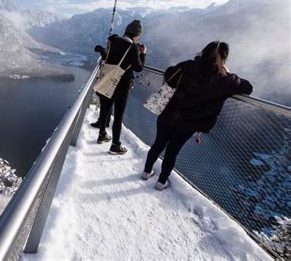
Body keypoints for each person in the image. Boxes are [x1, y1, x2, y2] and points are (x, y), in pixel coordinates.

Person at [142, 41, 253, 190]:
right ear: (224, 58)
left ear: (203, 52)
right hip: (190, 123)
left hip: (169, 114)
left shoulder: (187, 66)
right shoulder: (226, 80)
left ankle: (146, 171)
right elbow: (248, 88)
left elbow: (169, 74)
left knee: (158, 144)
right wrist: (226, 72)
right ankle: (161, 182)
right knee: (172, 151)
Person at [96, 20, 147, 155]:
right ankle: (115, 145)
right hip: (122, 85)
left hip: (108, 79)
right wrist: (143, 54)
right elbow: (138, 68)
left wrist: (101, 50)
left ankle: (102, 134)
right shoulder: (133, 47)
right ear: (137, 34)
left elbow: (107, 57)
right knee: (118, 116)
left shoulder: (114, 41)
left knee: (105, 108)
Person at [90, 45, 112, 129]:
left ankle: (102, 123)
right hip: (112, 81)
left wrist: (101, 50)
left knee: (105, 104)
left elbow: (106, 57)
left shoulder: (115, 51)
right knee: (108, 104)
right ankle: (105, 122)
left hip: (109, 81)